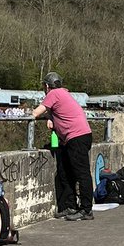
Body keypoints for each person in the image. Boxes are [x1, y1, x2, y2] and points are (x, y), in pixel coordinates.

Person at [30, 73, 94, 220]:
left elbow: (36, 112)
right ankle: (69, 206)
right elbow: (55, 110)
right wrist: (51, 117)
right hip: (75, 137)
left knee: (81, 173)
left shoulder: (54, 93)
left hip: (77, 137)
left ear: (47, 86)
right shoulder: (63, 93)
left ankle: (86, 209)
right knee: (65, 172)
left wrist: (24, 115)